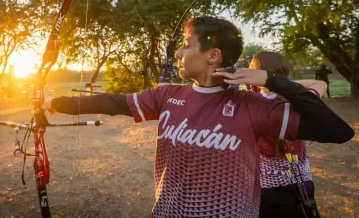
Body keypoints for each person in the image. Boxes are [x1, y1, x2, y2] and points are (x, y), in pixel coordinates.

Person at [37, 16, 354, 218]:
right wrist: (57, 102)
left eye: (186, 46)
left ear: (213, 56)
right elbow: (115, 102)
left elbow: (338, 131)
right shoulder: (166, 94)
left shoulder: (251, 106)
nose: (178, 53)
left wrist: (272, 81)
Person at [249, 51, 325, 218]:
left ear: (258, 72)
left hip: (266, 189)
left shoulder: (250, 102)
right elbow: (319, 83)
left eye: (251, 67)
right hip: (302, 184)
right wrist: (283, 83)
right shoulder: (299, 100)